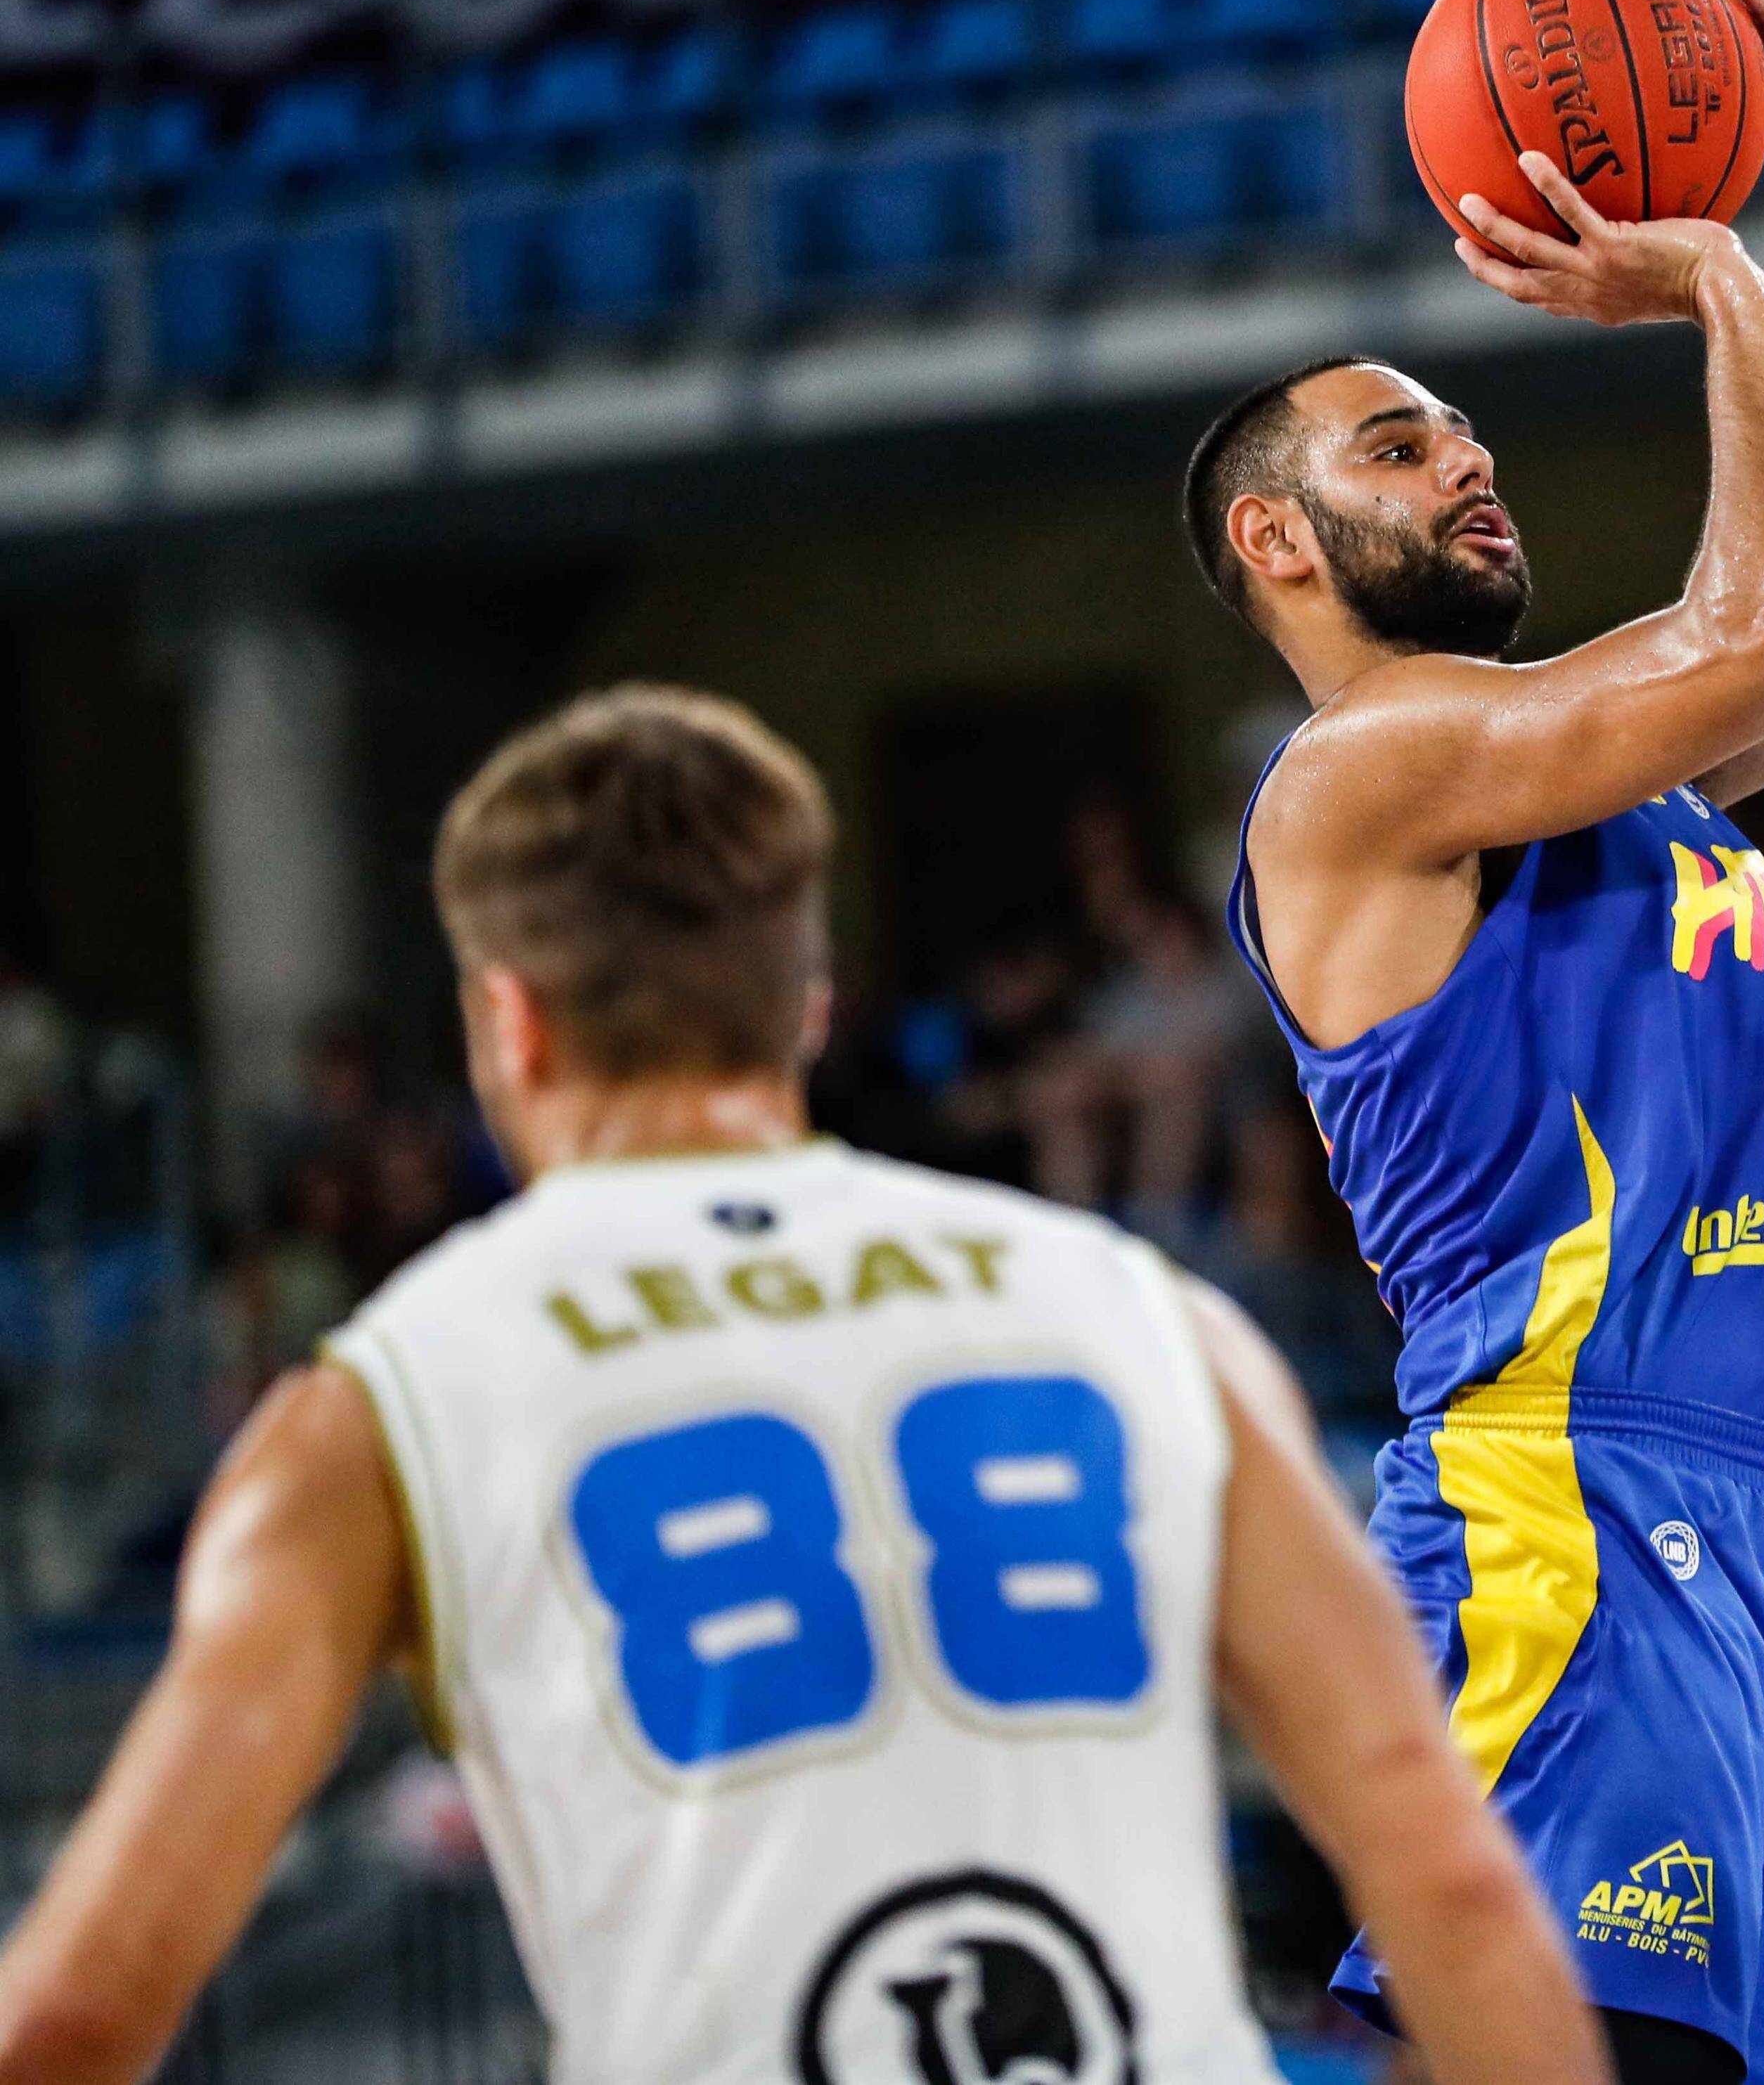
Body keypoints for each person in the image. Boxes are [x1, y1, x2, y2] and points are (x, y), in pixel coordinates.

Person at [0, 687, 1606, 2085]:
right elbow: (1455, 1888)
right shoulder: (1150, 1316)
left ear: (511, 1021)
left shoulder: (376, 1404)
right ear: (808, 998)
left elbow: (75, 2010)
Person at [1181, 0, 1764, 2085]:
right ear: (1277, 545)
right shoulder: (1361, 774)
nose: (1465, 457)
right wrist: (1721, 275)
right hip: (1566, 1492)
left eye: (1464, 428)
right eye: (1397, 448)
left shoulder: (1606, 765)